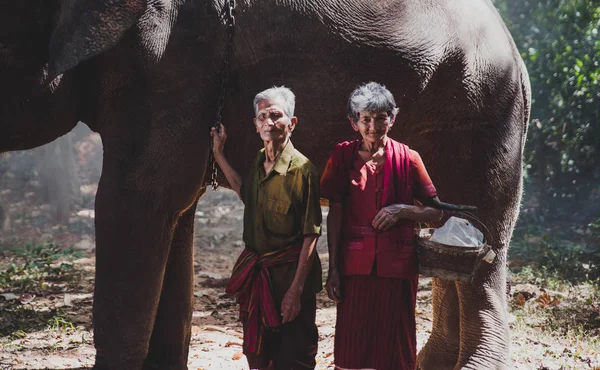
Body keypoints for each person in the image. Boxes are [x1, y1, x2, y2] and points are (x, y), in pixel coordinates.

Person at [320, 82, 444, 370]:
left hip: (398, 267)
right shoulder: (342, 157)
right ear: (354, 123)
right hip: (354, 266)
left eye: (381, 118)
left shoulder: (408, 158)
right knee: (353, 344)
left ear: (393, 119)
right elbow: (335, 214)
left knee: (395, 344)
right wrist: (334, 270)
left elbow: (435, 211)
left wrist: (403, 210)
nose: (373, 126)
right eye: (366, 119)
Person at [211, 86, 322, 370]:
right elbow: (244, 191)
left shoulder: (302, 170)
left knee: (292, 358)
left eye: (276, 115)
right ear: (255, 123)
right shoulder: (260, 159)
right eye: (263, 116)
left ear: (292, 123)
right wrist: (219, 153)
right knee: (258, 356)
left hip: (289, 280)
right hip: (258, 280)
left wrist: (295, 292)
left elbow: (311, 235)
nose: (269, 122)